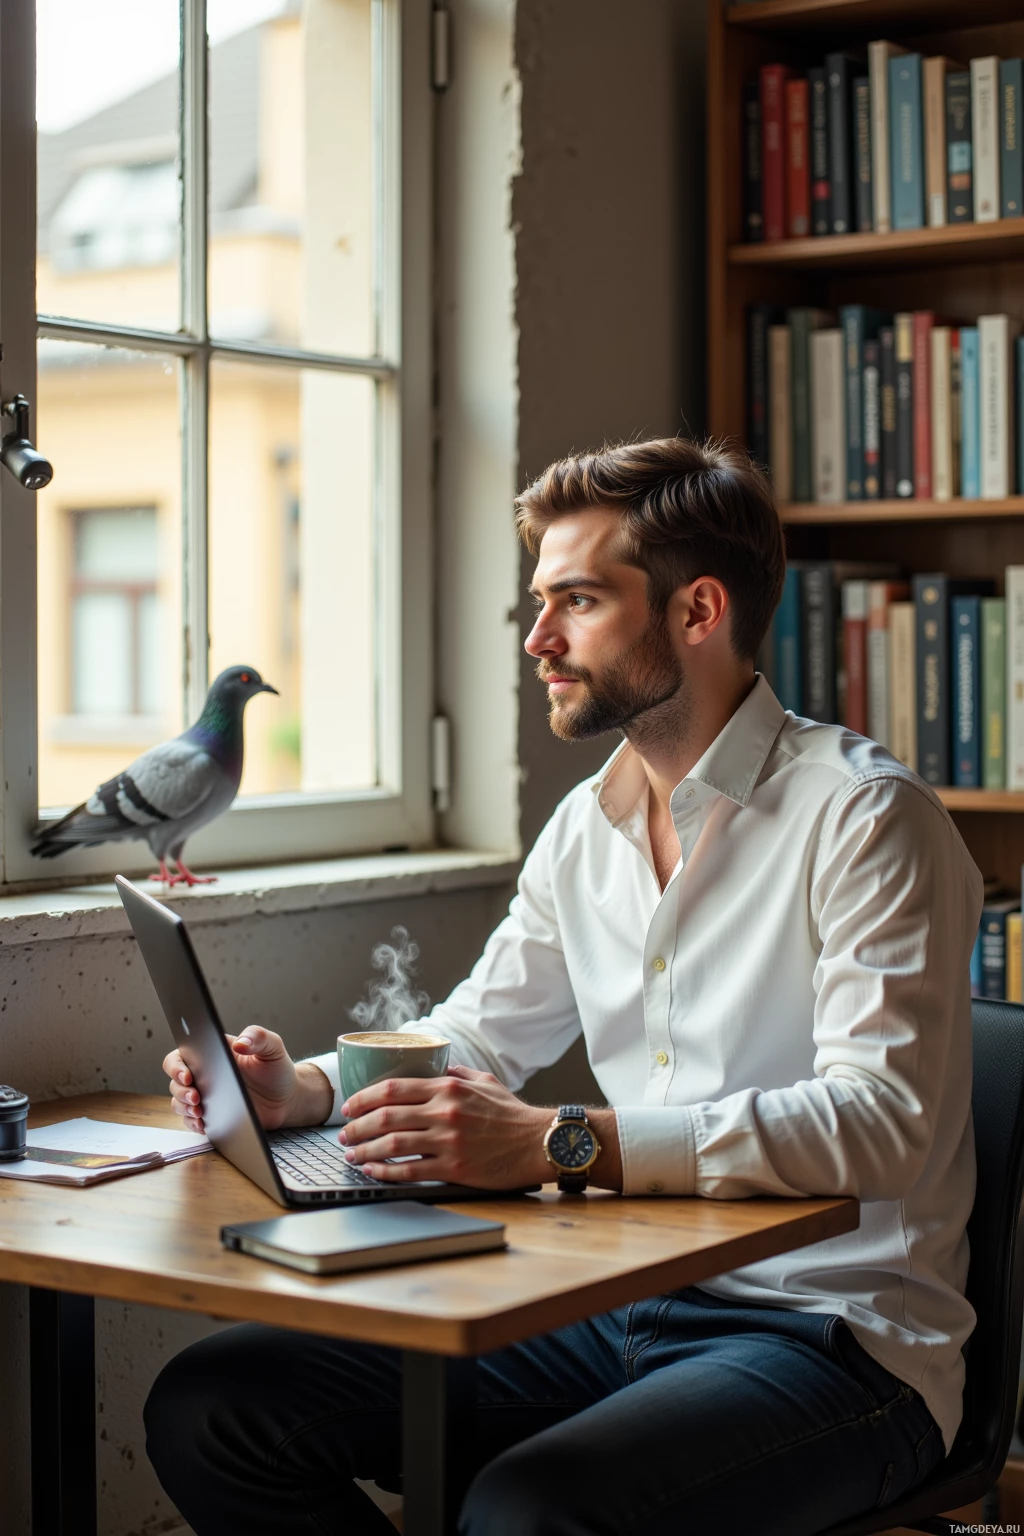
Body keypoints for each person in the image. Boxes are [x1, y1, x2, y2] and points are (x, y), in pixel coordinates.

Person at [145, 437, 982, 1535]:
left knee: (529, 1514)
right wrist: (302, 1090)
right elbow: (477, 1036)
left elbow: (878, 1130)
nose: (537, 638)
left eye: (576, 601)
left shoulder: (866, 818)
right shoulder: (587, 826)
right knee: (216, 1406)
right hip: (618, 1305)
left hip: (834, 1340)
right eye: (539, 602)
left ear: (696, 612)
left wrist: (557, 1143)